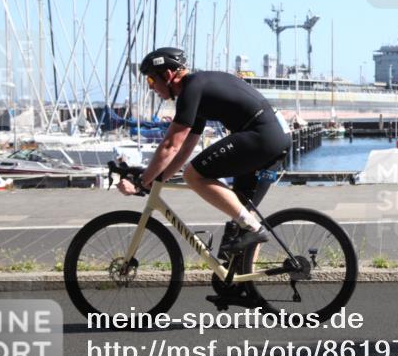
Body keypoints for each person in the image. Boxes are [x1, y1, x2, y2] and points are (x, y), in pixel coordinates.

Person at [117, 47, 291, 256]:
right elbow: (184, 149)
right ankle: (245, 283)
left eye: (151, 81)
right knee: (243, 215)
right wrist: (159, 178)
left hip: (263, 135)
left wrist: (141, 181)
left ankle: (254, 229)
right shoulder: (199, 89)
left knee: (193, 175)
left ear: (168, 75)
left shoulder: (191, 91)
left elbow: (170, 145)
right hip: (276, 136)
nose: (151, 88)